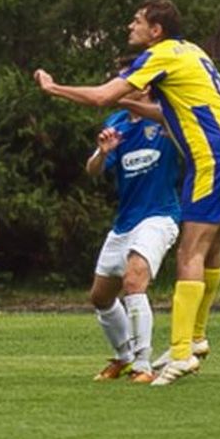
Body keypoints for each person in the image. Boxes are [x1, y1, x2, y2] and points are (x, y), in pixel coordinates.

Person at [34, 0, 220, 386]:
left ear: (156, 30)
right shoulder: (190, 51)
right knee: (214, 246)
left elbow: (103, 96)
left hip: (216, 156)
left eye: (137, 21)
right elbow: (172, 111)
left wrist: (54, 88)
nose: (130, 27)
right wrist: (133, 105)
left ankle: (180, 353)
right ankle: (197, 337)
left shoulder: (160, 54)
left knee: (190, 252)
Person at [85, 87, 181, 384]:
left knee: (134, 281)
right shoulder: (117, 123)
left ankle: (143, 365)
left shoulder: (166, 118)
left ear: (147, 86)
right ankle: (125, 357)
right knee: (100, 297)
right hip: (125, 222)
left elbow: (185, 135)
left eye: (130, 81)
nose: (123, 85)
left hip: (160, 216)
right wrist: (103, 152)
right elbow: (92, 171)